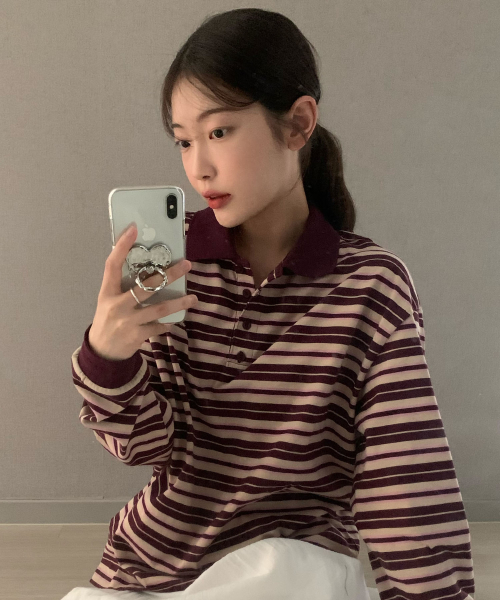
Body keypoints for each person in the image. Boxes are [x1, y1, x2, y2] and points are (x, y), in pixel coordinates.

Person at [70, 8, 475, 599]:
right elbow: (146, 446)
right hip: (152, 569)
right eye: (184, 141)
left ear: (298, 124)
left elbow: (405, 488)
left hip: (292, 565)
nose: (198, 167)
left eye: (219, 132)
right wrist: (108, 359)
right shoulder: (171, 265)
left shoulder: (371, 286)